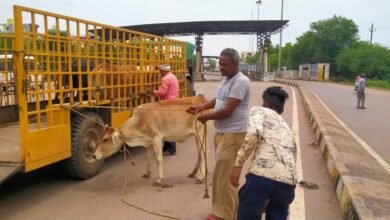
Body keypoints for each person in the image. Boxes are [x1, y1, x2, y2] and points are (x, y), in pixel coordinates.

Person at [186, 48, 251, 220]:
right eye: (220, 63)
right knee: (220, 175)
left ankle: (225, 215)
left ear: (235, 64)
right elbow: (220, 99)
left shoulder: (240, 82)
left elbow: (228, 109)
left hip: (234, 134)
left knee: (227, 177)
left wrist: (205, 117)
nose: (220, 67)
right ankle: (220, 211)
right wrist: (202, 107)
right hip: (222, 133)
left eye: (224, 64)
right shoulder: (226, 79)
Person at [230, 86, 297, 220]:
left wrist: (238, 165)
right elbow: (293, 153)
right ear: (282, 110)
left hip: (262, 177)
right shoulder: (286, 127)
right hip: (288, 183)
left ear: (264, 103)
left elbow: (254, 132)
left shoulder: (259, 111)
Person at [153, 64, 179, 155]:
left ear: (164, 71)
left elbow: (163, 92)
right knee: (169, 126)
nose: (160, 73)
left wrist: (153, 92)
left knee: (167, 127)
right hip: (174, 103)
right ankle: (167, 148)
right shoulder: (173, 77)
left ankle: (171, 149)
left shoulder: (165, 79)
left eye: (160, 71)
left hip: (167, 104)